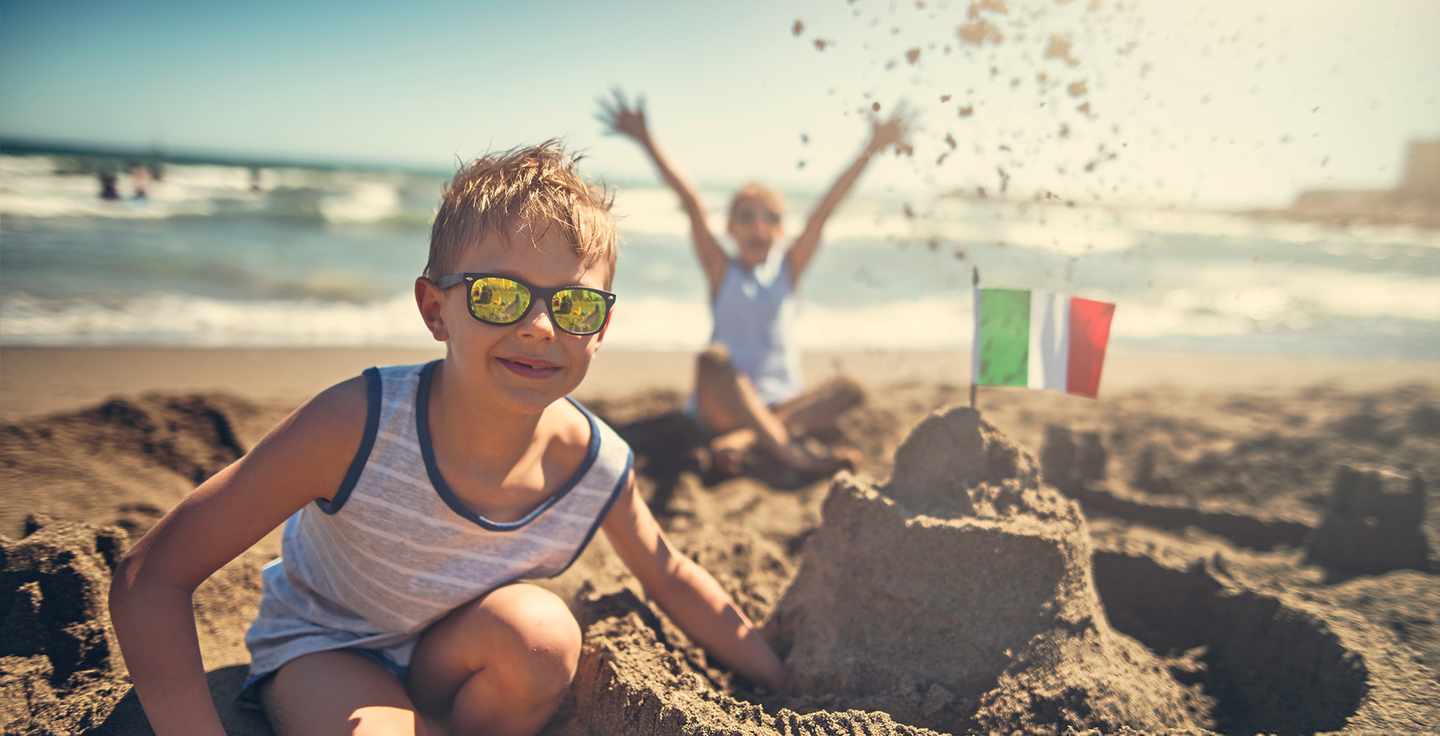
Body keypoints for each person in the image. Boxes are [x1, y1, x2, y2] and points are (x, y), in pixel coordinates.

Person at [107, 141, 787, 736]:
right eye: (499, 295)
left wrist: (782, 678)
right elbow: (151, 578)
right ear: (436, 309)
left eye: (574, 305)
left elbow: (671, 575)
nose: (541, 327)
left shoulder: (593, 464)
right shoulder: (358, 424)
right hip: (331, 648)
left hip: (454, 660)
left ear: (600, 331)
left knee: (546, 636)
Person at [597, 89, 908, 478]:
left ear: (781, 230)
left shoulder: (787, 271)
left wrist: (872, 148)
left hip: (780, 405)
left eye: (771, 218)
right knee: (713, 359)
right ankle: (790, 454)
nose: (759, 226)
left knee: (850, 388)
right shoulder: (721, 271)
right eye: (747, 217)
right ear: (731, 228)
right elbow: (690, 202)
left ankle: (747, 440)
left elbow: (825, 209)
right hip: (720, 407)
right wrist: (645, 140)